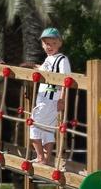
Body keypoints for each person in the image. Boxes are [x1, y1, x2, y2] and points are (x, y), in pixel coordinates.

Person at [25, 27, 71, 164]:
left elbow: (66, 80)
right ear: (42, 45)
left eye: (53, 43)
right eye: (46, 44)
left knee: (33, 124)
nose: (49, 46)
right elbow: (43, 69)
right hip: (44, 98)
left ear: (59, 44)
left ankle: (40, 157)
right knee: (47, 129)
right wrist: (30, 66)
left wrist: (62, 98)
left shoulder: (62, 59)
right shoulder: (49, 59)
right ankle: (45, 159)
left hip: (51, 99)